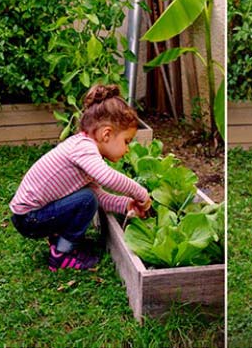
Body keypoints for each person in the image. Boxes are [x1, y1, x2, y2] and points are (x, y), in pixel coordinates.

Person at [10, 84, 152, 271]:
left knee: (88, 197)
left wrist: (126, 205)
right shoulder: (84, 148)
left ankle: (59, 240)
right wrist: (140, 194)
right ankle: (61, 254)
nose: (127, 149)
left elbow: (99, 196)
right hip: (29, 218)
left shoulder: (84, 149)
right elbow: (107, 179)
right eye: (126, 141)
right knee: (86, 200)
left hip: (31, 215)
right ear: (106, 134)